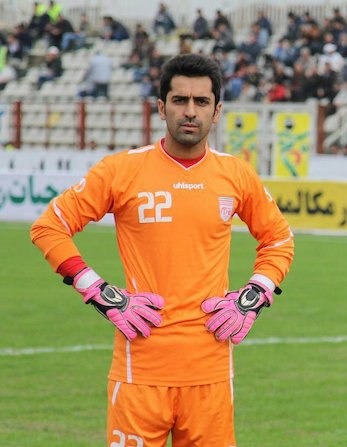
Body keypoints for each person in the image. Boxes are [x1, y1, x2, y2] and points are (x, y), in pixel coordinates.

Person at [30, 53, 295, 447]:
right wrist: (99, 292)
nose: (190, 111)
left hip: (210, 373)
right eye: (179, 100)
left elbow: (279, 239)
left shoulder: (236, 174)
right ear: (161, 106)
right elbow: (49, 226)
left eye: (201, 101)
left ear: (217, 111)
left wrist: (254, 295)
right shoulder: (121, 170)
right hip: (140, 372)